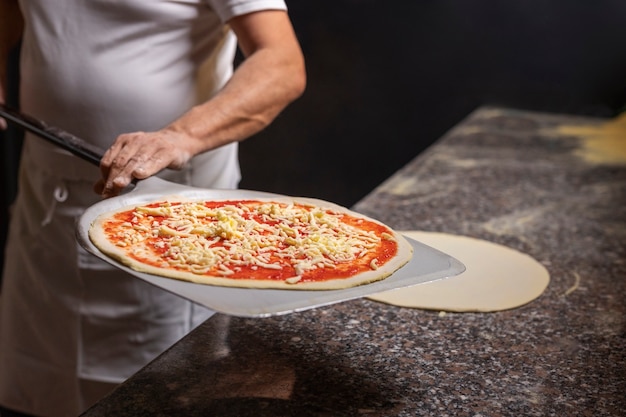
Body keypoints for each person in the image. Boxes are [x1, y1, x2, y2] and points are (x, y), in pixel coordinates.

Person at [0, 0, 306, 416]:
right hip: (46, 209)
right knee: (42, 391)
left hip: (174, 218)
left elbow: (281, 63)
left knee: (162, 398)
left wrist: (180, 136)